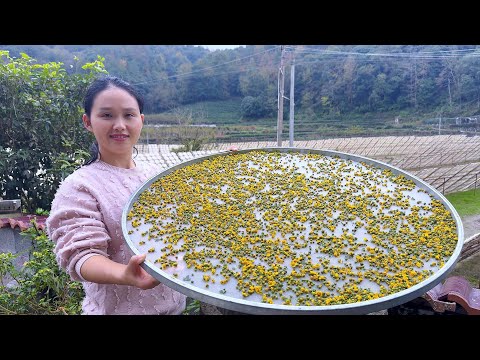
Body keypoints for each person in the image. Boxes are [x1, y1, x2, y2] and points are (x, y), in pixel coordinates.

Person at [46, 75, 186, 315]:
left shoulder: (156, 176)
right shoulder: (80, 186)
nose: (120, 125)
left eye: (129, 115)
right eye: (107, 115)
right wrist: (125, 274)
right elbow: (82, 257)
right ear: (88, 122)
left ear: (141, 121)